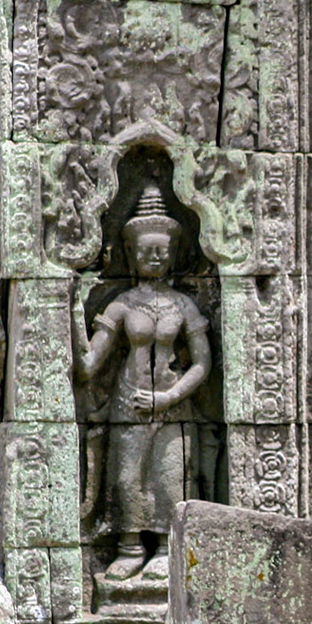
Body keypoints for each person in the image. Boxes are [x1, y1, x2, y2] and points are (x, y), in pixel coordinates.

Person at [74, 180, 213, 582]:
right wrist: (68, 310)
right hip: (127, 404)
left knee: (170, 476)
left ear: (174, 256)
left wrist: (169, 396)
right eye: (146, 251)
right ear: (132, 256)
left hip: (173, 404)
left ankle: (167, 549)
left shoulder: (183, 306)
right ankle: (130, 547)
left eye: (163, 251)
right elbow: (86, 365)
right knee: (126, 476)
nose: (154, 257)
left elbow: (202, 364)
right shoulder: (121, 305)